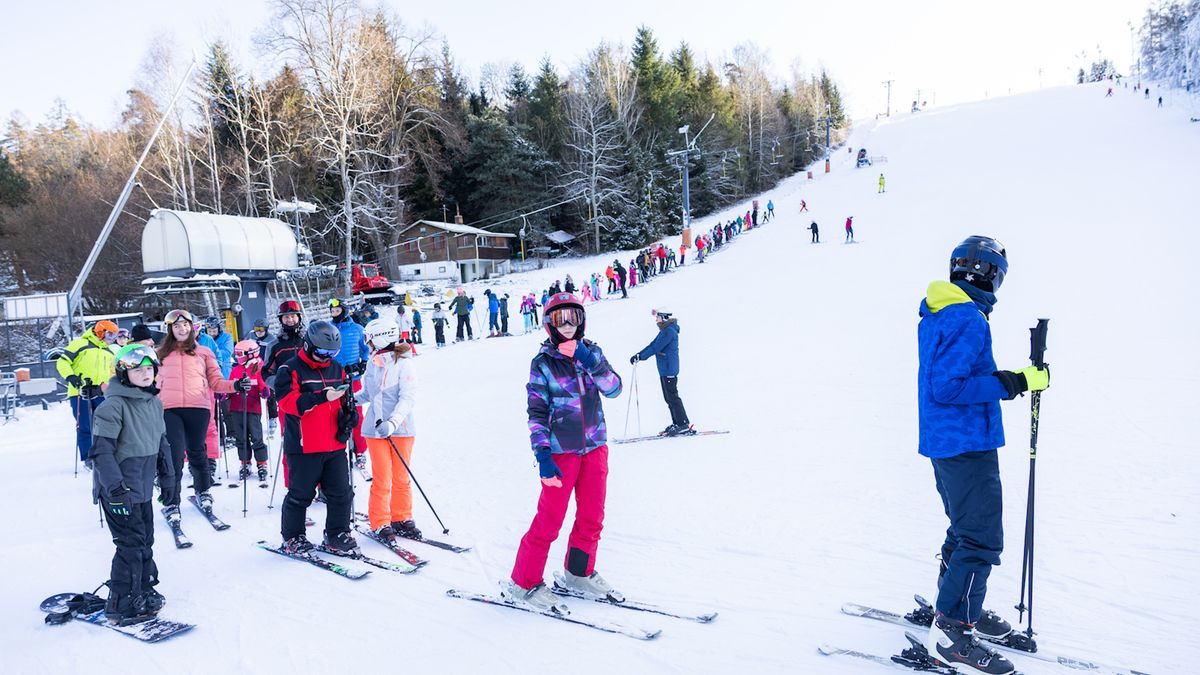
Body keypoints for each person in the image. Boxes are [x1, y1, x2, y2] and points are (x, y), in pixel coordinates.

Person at [918, 236, 1049, 675]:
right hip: (966, 443)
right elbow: (948, 387)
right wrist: (1013, 382)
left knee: (965, 529)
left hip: (949, 441)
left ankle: (953, 608)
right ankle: (953, 630)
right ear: (988, 274)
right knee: (981, 538)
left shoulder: (942, 311)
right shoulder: (967, 318)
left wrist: (1011, 380)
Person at [501, 293, 623, 613]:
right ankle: (523, 582)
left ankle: (578, 573)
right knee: (549, 520)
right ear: (548, 324)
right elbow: (537, 413)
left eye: (573, 317)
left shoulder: (591, 353)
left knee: (592, 517)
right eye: (559, 319)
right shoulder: (543, 363)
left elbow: (614, 388)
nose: (567, 325)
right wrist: (542, 456)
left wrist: (587, 357)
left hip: (595, 447)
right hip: (560, 454)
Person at [89, 344, 176, 624]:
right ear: (125, 373)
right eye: (138, 370)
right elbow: (101, 452)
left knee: (145, 541)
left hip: (141, 490)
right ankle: (119, 602)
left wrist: (168, 477)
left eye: (149, 369)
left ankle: (142, 590)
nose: (145, 374)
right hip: (118, 490)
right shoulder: (112, 405)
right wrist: (115, 490)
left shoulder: (155, 403)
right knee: (130, 545)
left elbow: (162, 444)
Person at [275, 320, 359, 554]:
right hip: (305, 446)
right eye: (322, 352)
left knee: (341, 493)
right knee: (301, 495)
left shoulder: (337, 368)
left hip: (334, 443)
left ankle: (336, 533)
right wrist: (320, 397)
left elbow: (344, 400)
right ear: (309, 345)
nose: (326, 357)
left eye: (332, 353)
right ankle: (293, 537)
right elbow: (288, 403)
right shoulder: (290, 369)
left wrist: (350, 417)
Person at [156, 310, 238, 523]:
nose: (181, 329)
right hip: (169, 409)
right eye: (176, 326)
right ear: (170, 330)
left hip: (198, 407)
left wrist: (235, 385)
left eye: (185, 325)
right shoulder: (159, 354)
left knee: (198, 451)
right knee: (173, 456)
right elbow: (143, 378)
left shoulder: (203, 352)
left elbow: (217, 381)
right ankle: (172, 501)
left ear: (191, 327)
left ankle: (203, 491)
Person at [358, 319, 422, 542]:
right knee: (382, 478)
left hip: (401, 429)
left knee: (401, 477)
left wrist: (392, 423)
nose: (367, 343)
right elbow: (368, 394)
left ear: (380, 338)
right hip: (375, 430)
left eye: (369, 339)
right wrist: (348, 398)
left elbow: (408, 399)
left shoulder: (405, 364)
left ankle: (401, 517)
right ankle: (380, 521)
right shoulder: (372, 363)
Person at [56, 320, 118, 467]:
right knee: (85, 425)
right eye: (109, 334)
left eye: (114, 336)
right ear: (100, 332)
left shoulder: (110, 351)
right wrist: (71, 377)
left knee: (105, 424)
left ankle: (106, 454)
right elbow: (62, 362)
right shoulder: (80, 344)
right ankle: (88, 457)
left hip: (102, 392)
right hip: (80, 391)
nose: (112, 339)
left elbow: (114, 372)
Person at [630, 307, 692, 436]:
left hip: (669, 368)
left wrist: (641, 357)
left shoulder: (669, 332)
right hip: (665, 368)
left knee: (673, 397)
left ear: (664, 317)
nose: (656, 320)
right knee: (669, 398)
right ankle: (678, 423)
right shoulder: (665, 330)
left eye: (657, 317)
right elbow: (652, 345)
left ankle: (683, 424)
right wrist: (638, 355)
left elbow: (656, 348)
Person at [330, 298, 369, 470]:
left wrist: (363, 362)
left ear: (344, 311)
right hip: (334, 378)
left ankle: (360, 450)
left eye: (337, 311)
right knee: (335, 414)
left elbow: (366, 348)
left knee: (356, 414)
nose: (334, 314)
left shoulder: (358, 329)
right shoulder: (329, 329)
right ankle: (337, 450)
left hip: (353, 378)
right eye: (332, 312)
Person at [228, 340, 269, 483]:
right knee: (241, 438)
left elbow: (262, 384)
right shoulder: (235, 370)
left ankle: (262, 463)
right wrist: (224, 393)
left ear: (251, 354)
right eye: (236, 354)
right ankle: (245, 462)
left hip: (252, 408)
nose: (237, 357)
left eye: (240, 354)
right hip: (236, 408)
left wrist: (264, 390)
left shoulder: (257, 368)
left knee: (256, 437)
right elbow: (230, 385)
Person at [245, 317, 278, 437]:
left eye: (261, 329)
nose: (258, 332)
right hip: (252, 368)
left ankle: (272, 418)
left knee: (269, 394)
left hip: (265, 368)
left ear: (266, 329)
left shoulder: (271, 340)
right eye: (256, 329)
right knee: (253, 393)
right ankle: (253, 421)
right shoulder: (250, 336)